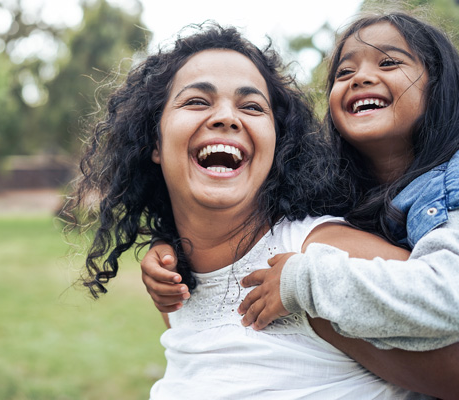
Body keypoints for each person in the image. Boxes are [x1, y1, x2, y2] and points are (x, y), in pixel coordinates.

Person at [66, 23, 450, 398]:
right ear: (155, 141)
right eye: (197, 101)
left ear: (276, 145)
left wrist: (307, 284)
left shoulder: (321, 261)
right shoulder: (176, 282)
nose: (226, 117)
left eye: (251, 106)